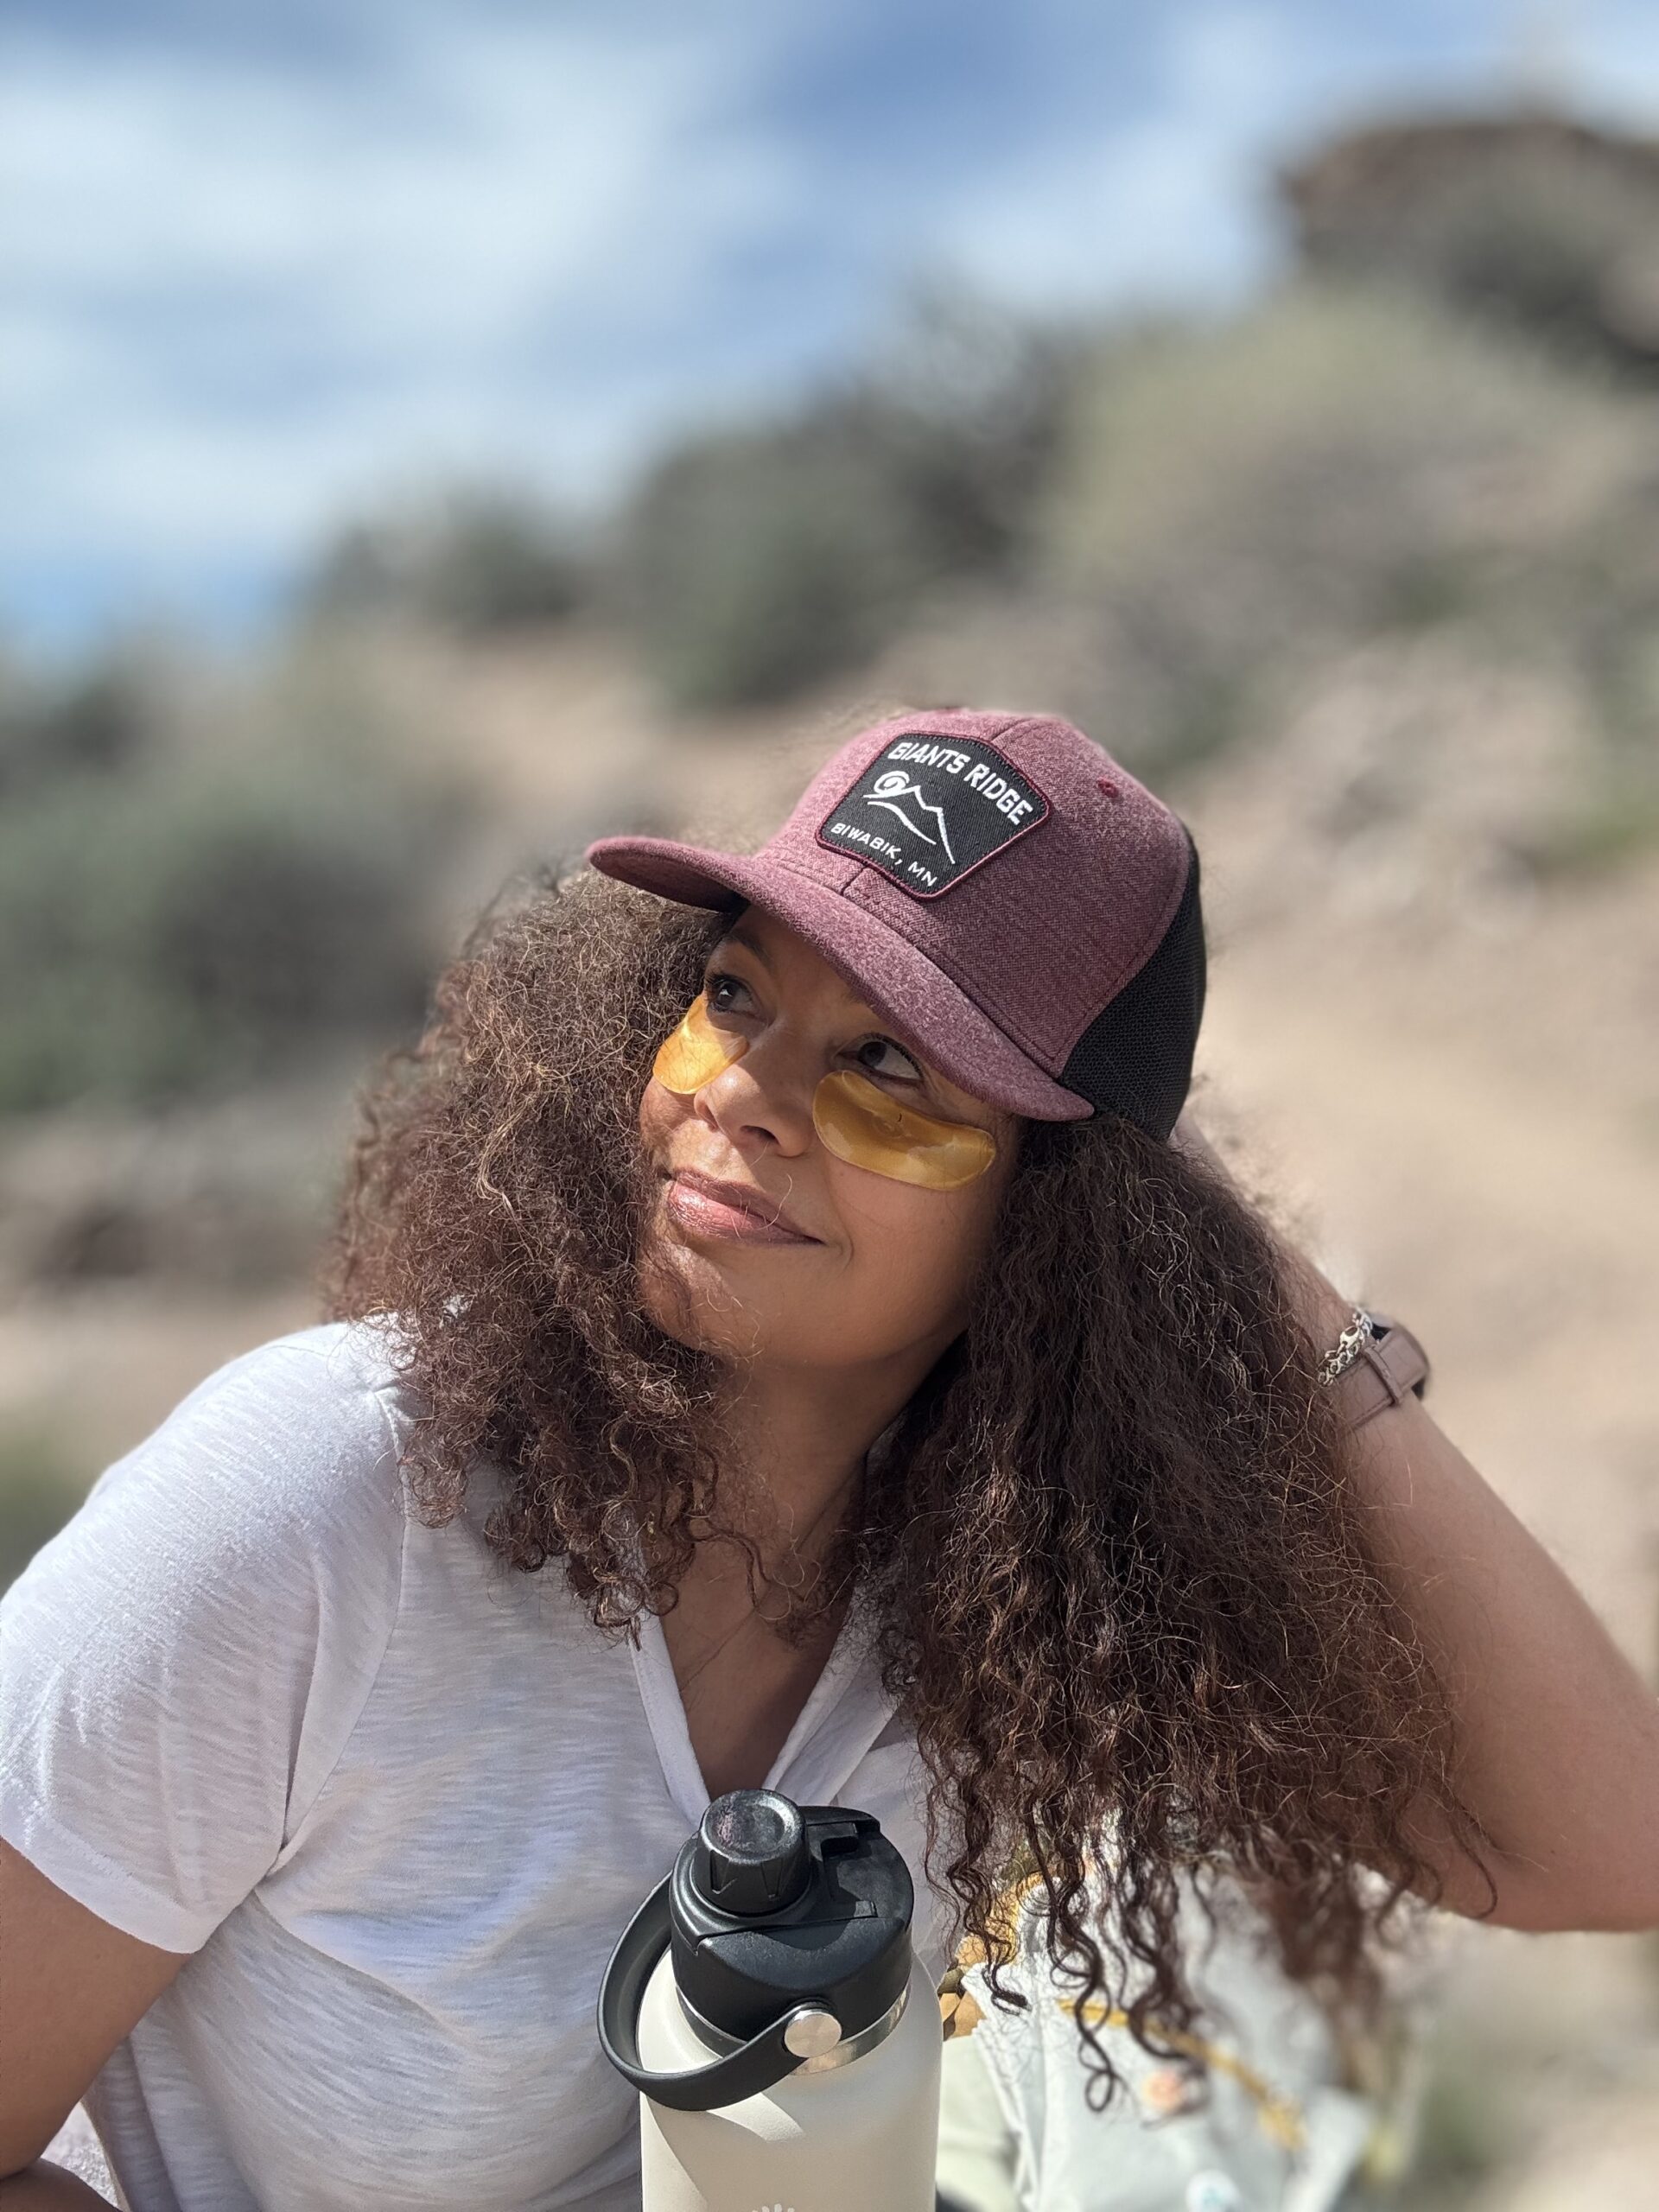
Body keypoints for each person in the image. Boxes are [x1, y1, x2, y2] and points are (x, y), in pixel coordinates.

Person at [3, 706, 1657, 2212]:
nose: (744, 1094)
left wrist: (1252, 1301)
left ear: (1061, 1222)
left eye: (889, 1067)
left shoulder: (1023, 1599)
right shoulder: (329, 1500)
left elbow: (1598, 1845)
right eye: (732, 995)